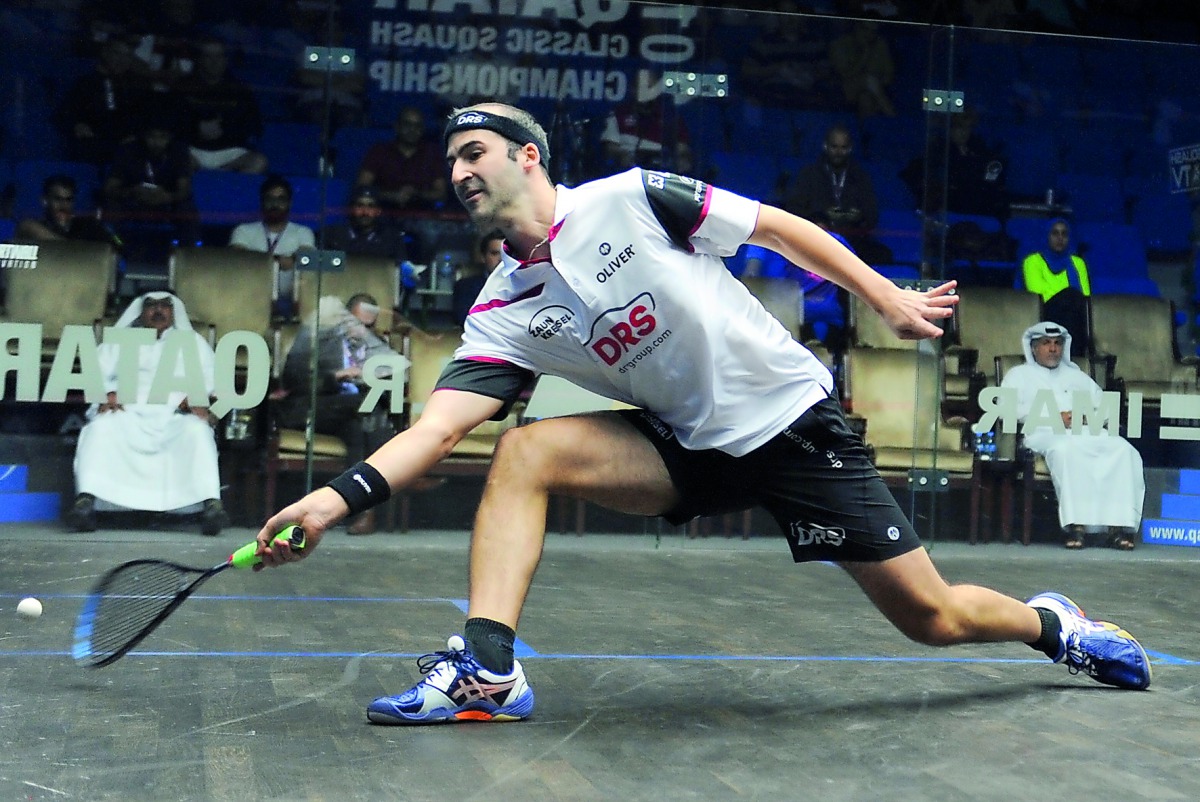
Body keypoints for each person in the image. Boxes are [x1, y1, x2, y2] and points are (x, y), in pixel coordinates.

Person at [254, 102, 1152, 726]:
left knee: (932, 619)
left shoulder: (634, 197)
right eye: (450, 162)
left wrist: (882, 296)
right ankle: (487, 671)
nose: (458, 172)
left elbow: (775, 228)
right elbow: (438, 428)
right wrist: (331, 503)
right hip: (687, 447)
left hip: (794, 426)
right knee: (521, 454)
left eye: (473, 153)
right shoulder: (502, 311)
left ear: (528, 157)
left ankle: (1055, 626)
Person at [67, 291, 226, 536]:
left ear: (174, 312)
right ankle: (86, 502)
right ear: (141, 311)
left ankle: (211, 505)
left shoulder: (192, 342)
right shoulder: (120, 340)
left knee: (197, 431)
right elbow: (95, 375)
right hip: (126, 413)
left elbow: (213, 381)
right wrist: (106, 392)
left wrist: (196, 396)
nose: (159, 311)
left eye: (165, 306)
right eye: (152, 306)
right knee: (101, 428)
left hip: (174, 417)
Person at [1000, 322, 1143, 550]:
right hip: (1043, 432)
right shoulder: (1018, 375)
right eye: (1046, 343)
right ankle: (1076, 527)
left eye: (1057, 343)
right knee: (1067, 450)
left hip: (1085, 430)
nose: (1053, 349)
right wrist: (1054, 416)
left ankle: (1118, 527)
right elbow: (1007, 411)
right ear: (1034, 348)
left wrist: (1084, 417)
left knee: (1124, 450)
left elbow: (1103, 407)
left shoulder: (1077, 376)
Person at [278, 293, 407, 535]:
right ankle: (401, 471)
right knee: (364, 409)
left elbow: (394, 391)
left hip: (351, 415)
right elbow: (292, 378)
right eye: (357, 323)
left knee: (360, 427)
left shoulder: (378, 348)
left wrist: (372, 378)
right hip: (314, 409)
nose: (363, 330)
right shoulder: (320, 339)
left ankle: (364, 513)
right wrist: (336, 376)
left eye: (369, 325)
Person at [784, 124, 889, 265]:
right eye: (834, 147)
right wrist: (821, 216)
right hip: (817, 239)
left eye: (843, 148)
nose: (839, 152)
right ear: (825, 146)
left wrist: (857, 217)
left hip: (853, 241)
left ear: (850, 148)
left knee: (883, 256)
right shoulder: (808, 174)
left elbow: (872, 216)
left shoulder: (861, 177)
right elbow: (794, 209)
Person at [53, 36, 151, 165]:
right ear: (105, 52)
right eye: (118, 53)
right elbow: (63, 115)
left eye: (128, 56)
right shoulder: (84, 82)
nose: (122, 60)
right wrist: (77, 125)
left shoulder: (133, 86)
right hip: (94, 148)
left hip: (126, 151)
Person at [175, 38, 268, 174]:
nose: (214, 61)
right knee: (177, 159)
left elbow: (254, 126)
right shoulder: (183, 86)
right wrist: (196, 129)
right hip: (192, 150)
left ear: (226, 59)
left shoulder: (240, 89)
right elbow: (171, 122)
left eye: (219, 56)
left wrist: (224, 129)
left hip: (231, 152)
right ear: (199, 59)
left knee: (259, 162)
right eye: (208, 56)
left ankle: (221, 180)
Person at [228, 174, 316, 319]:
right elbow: (238, 257)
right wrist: (278, 261)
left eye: (281, 199)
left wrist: (291, 259)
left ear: (290, 203)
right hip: (250, 299)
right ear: (262, 201)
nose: (275, 204)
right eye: (270, 199)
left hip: (291, 302)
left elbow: (308, 255)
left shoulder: (303, 232)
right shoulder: (243, 230)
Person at [1016, 218, 1091, 359]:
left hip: (1073, 313)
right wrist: (1066, 294)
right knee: (1072, 296)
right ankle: (1074, 358)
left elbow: (1086, 296)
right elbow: (1039, 294)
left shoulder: (1078, 263)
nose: (1060, 238)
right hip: (1044, 313)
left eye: (1064, 234)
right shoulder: (1032, 262)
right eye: (1055, 233)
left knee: (1077, 306)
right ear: (1046, 236)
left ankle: (1075, 359)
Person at [355, 107, 448, 212]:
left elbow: (441, 193)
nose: (412, 130)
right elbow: (362, 187)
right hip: (383, 215)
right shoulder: (380, 152)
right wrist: (392, 196)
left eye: (417, 126)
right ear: (397, 126)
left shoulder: (432, 154)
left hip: (422, 216)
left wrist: (416, 195)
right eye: (407, 124)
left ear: (422, 130)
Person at [14, 175, 119, 245]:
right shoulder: (32, 227)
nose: (64, 206)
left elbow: (117, 247)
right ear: (44, 201)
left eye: (68, 200)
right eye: (58, 199)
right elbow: (25, 228)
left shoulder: (89, 226)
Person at [599, 98, 693, 174]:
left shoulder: (670, 117)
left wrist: (680, 160)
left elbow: (682, 152)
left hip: (660, 173)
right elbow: (610, 148)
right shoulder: (619, 113)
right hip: (627, 172)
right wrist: (623, 155)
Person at [319, 186, 410, 261]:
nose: (365, 212)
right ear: (352, 209)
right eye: (360, 205)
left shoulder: (392, 239)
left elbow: (400, 272)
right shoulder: (331, 236)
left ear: (378, 211)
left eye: (371, 206)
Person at [828, 21, 896, 118]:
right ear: (857, 28)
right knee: (868, 80)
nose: (869, 34)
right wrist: (865, 54)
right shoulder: (840, 44)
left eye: (873, 31)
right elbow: (844, 75)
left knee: (865, 99)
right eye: (865, 29)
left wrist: (878, 83)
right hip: (845, 89)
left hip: (874, 90)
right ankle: (891, 116)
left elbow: (889, 74)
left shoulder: (880, 45)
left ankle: (868, 129)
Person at [451, 229, 503, 327]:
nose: (501, 259)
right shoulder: (465, 287)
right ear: (483, 257)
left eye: (507, 254)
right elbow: (463, 319)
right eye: (495, 253)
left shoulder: (525, 286)